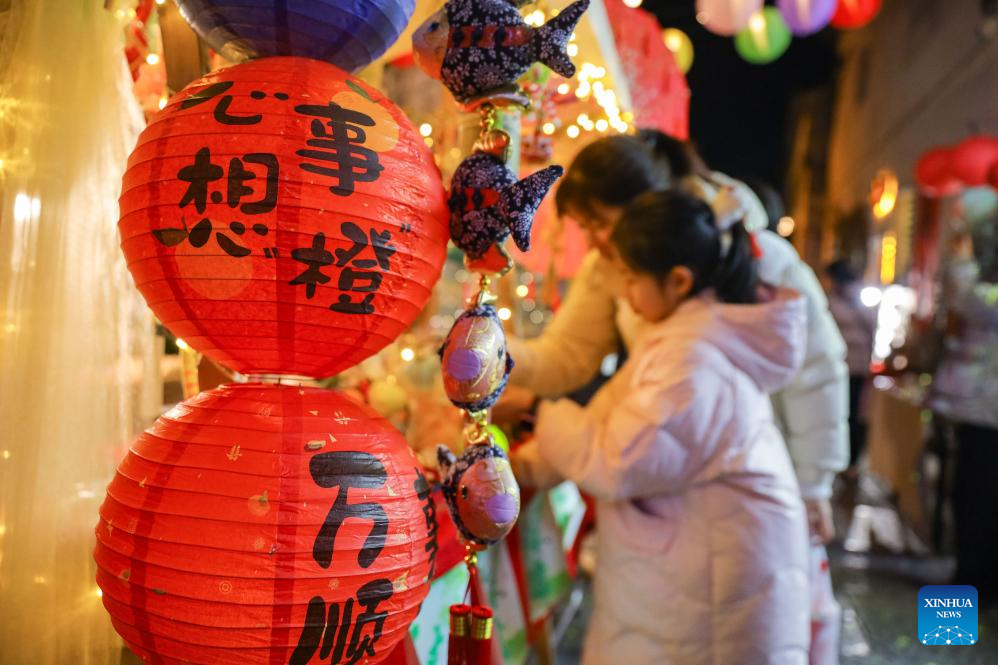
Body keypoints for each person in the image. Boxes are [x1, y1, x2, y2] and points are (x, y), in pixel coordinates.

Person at [498, 131, 849, 664]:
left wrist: (815, 480)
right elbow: (576, 358)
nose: (594, 244)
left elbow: (816, 373)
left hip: (730, 480)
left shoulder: (742, 265)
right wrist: (489, 354)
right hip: (677, 470)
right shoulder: (641, 290)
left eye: (599, 222)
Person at [928, 230, 998, 598]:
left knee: (975, 501)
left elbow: (971, 299)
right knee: (971, 499)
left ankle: (965, 599)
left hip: (987, 418)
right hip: (981, 414)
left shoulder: (985, 294)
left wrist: (960, 258)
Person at [824, 259, 875, 473]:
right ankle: (834, 458)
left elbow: (872, 328)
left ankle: (852, 461)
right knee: (835, 412)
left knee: (854, 414)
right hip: (836, 365)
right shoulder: (829, 301)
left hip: (856, 367)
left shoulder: (860, 300)